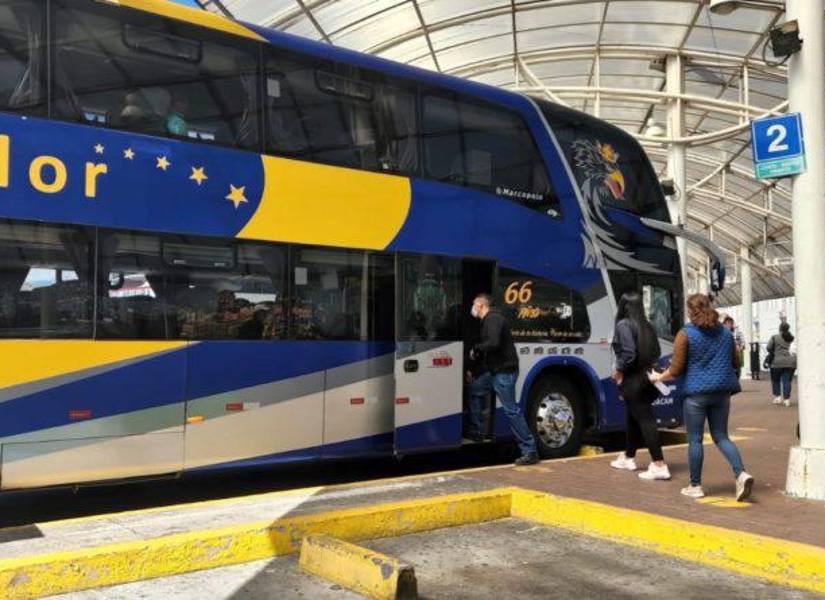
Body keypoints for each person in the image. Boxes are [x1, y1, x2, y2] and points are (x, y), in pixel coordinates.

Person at [651, 293, 754, 502]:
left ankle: (695, 485)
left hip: (696, 395)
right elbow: (736, 361)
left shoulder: (686, 334)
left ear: (690, 310)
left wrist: (658, 377)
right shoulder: (725, 333)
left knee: (695, 440)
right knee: (722, 437)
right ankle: (741, 473)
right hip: (722, 393)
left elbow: (676, 369)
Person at [469, 293, 538, 465]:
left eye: (474, 305)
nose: (473, 308)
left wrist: (476, 349)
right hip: (495, 372)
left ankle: (529, 451)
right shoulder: (489, 319)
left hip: (504, 373)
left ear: (480, 305)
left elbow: (493, 343)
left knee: (511, 411)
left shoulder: (493, 319)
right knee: (475, 389)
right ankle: (478, 431)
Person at [609, 292, 671, 481]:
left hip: (632, 380)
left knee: (645, 420)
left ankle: (659, 464)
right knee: (633, 417)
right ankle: (628, 457)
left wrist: (618, 370)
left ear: (623, 307)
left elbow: (628, 354)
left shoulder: (623, 325)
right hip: (648, 379)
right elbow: (657, 352)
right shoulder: (647, 326)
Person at [767, 322, 796, 407]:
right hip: (790, 362)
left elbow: (768, 347)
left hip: (777, 362)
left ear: (780, 328)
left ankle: (778, 397)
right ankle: (787, 400)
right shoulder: (791, 338)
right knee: (787, 381)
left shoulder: (774, 337)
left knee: (776, 380)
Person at [722, 315, 745, 380]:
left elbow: (743, 343)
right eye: (726, 324)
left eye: (730, 323)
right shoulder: (721, 333)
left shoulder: (737, 333)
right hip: (726, 355)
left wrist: (738, 349)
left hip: (736, 355)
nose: (728, 325)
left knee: (737, 371)